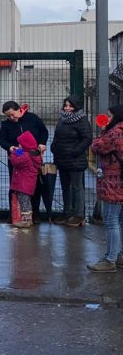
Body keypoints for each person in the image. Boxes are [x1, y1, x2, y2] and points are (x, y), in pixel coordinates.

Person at [0, 101, 49, 222]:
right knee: (15, 184)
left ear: (18, 110)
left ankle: (34, 213)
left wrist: (42, 143)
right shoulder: (6, 125)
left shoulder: (32, 118)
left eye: (12, 114)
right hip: (18, 155)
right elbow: (2, 141)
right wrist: (11, 148)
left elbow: (44, 131)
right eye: (8, 116)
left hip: (33, 155)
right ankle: (14, 212)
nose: (11, 118)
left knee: (35, 185)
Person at [87, 105, 123, 272]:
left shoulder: (115, 133)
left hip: (114, 182)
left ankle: (110, 260)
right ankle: (119, 255)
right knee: (120, 221)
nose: (106, 119)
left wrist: (103, 130)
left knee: (111, 221)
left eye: (109, 116)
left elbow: (96, 146)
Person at [50, 95, 92, 227]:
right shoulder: (62, 119)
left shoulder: (82, 120)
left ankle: (79, 215)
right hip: (62, 159)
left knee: (76, 187)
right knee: (65, 187)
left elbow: (87, 138)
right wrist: (54, 147)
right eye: (66, 105)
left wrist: (75, 151)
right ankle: (67, 212)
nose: (67, 108)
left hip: (75, 160)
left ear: (76, 106)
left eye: (70, 105)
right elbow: (57, 135)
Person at [9, 131, 42, 228]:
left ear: (25, 145)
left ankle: (26, 221)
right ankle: (29, 219)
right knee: (27, 201)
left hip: (23, 184)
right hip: (28, 184)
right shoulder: (33, 155)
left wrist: (14, 151)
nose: (18, 146)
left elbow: (15, 161)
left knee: (24, 202)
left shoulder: (25, 156)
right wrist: (19, 151)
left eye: (20, 144)